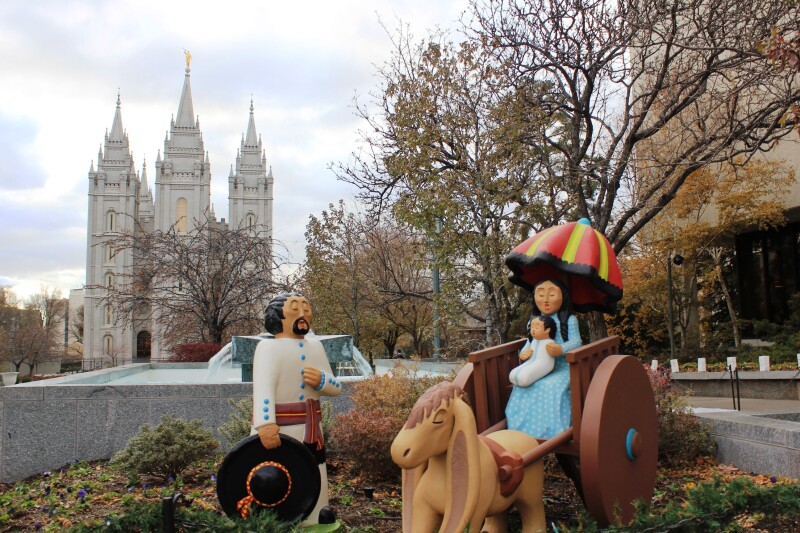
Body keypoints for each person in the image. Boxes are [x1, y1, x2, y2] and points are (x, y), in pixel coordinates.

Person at [251, 293, 341, 524]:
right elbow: (263, 388)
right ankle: (276, 517)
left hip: (311, 427)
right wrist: (265, 423)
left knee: (313, 470)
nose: (302, 314)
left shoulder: (317, 347)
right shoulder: (267, 348)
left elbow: (336, 387)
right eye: (295, 308)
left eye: (306, 309)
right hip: (279, 428)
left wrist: (322, 381)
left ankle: (315, 514)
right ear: (278, 315)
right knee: (276, 472)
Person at [505, 279, 582, 439]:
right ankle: (521, 430)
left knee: (552, 386)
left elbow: (576, 341)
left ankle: (554, 431)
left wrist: (561, 349)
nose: (545, 300)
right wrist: (525, 352)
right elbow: (530, 341)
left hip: (563, 367)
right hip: (539, 366)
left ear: (564, 297)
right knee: (521, 386)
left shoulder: (568, 320)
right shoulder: (535, 320)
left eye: (552, 294)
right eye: (540, 295)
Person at [509, 315, 557, 387]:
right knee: (513, 374)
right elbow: (524, 352)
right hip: (531, 362)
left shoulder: (549, 342)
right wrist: (523, 354)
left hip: (545, 364)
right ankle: (519, 377)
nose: (533, 330)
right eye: (532, 327)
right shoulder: (533, 341)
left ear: (547, 330)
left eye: (537, 328)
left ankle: (524, 378)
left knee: (524, 376)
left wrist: (556, 350)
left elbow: (554, 354)